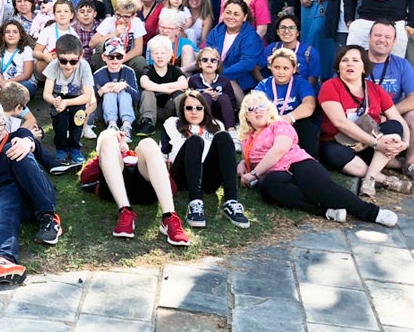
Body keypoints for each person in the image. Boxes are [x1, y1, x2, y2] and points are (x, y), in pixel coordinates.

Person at [238, 91, 398, 227]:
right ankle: (326, 211)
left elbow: (280, 148)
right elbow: (251, 157)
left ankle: (372, 213)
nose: (258, 111)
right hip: (275, 173)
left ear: (269, 110)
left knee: (322, 189)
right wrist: (244, 164)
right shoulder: (247, 137)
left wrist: (255, 173)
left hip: (297, 162)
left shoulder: (279, 125)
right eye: (252, 109)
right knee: (270, 189)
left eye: (262, 106)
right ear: (246, 116)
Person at [0, 96, 62, 285]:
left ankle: (49, 218)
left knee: (15, 147)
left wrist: (28, 144)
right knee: (5, 202)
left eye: (0, 125)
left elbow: (30, 142)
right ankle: (4, 260)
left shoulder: (18, 134)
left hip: (37, 193)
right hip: (7, 197)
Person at [318, 46, 413, 199]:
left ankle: (369, 178)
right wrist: (376, 143)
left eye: (355, 60)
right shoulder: (330, 86)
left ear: (364, 67)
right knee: (334, 153)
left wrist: (406, 143)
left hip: (370, 146)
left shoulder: (375, 89)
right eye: (345, 60)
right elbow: (340, 122)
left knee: (393, 126)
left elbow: (398, 119)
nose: (350, 64)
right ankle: (385, 179)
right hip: (340, 144)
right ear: (338, 66)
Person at [162, 89, 249, 229]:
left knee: (224, 137)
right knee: (194, 140)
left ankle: (232, 202)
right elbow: (163, 153)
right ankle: (195, 203)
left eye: (198, 108)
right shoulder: (172, 124)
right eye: (189, 108)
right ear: (182, 110)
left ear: (205, 109)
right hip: (182, 173)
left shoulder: (216, 125)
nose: (194, 112)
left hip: (208, 177)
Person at [90, 128, 189, 246]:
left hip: (143, 186)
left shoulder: (135, 155)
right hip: (114, 189)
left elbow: (171, 187)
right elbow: (86, 177)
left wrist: (138, 154)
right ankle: (125, 211)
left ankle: (169, 217)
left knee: (148, 143)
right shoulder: (106, 154)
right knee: (107, 140)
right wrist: (103, 153)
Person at [365, 21, 414, 182]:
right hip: (364, 118)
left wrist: (391, 112)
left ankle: (409, 163)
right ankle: (394, 163)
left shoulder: (400, 64)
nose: (382, 40)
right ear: (369, 37)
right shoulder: (356, 59)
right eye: (377, 35)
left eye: (388, 37)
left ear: (394, 41)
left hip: (391, 117)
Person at [254, 48, 319, 159]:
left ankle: (311, 160)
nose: (281, 72)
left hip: (294, 122)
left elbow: (309, 105)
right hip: (270, 123)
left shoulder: (301, 83)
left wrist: (289, 117)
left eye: (286, 68)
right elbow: (255, 107)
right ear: (270, 67)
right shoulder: (263, 85)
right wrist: (273, 120)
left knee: (306, 124)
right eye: (276, 67)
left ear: (294, 69)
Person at [43, 34, 95, 168]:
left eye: (73, 61)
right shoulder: (53, 66)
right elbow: (46, 94)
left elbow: (87, 96)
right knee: (59, 122)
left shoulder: (84, 67)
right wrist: (55, 101)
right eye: (63, 61)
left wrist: (67, 103)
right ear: (56, 56)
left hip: (77, 99)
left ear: (81, 57)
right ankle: (61, 148)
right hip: (58, 98)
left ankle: (75, 147)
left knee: (78, 120)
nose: (67, 65)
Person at [203, 0, 263, 101]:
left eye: (236, 14)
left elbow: (247, 64)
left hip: (240, 79)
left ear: (244, 17)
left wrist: (219, 74)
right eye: (228, 13)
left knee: (229, 80)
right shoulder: (216, 31)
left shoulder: (251, 36)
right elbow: (207, 53)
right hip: (212, 74)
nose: (231, 17)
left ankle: (241, 111)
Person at [94, 38, 141, 138]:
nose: (115, 60)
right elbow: (92, 100)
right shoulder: (98, 74)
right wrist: (102, 91)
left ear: (123, 57)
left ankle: (127, 126)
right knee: (110, 92)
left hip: (126, 110)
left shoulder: (129, 72)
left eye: (118, 56)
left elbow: (137, 97)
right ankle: (112, 125)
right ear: (104, 57)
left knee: (124, 92)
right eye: (111, 57)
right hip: (106, 113)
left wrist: (126, 86)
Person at [258, 14, 320, 85]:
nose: (287, 31)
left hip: (300, 94)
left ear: (298, 32)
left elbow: (311, 84)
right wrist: (266, 85)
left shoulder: (310, 53)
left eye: (291, 28)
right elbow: (256, 69)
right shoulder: (272, 48)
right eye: (282, 27)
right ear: (277, 32)